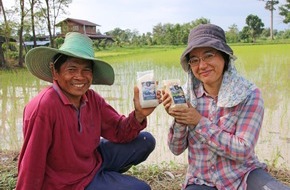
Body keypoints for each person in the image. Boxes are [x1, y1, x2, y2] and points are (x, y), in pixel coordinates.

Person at [16, 32, 160, 190]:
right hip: (68, 182)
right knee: (141, 189)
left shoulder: (91, 98)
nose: (80, 77)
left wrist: (139, 114)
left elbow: (119, 131)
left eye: (86, 70)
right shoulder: (42, 108)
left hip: (93, 160)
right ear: (54, 71)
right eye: (72, 69)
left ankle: (105, 177)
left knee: (146, 141)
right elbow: (32, 164)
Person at [160, 24, 290, 190]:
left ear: (224, 57)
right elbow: (176, 149)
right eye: (194, 60)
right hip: (201, 178)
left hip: (243, 174)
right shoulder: (185, 95)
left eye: (208, 55)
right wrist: (180, 118)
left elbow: (243, 150)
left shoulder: (248, 94)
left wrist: (198, 121)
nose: (202, 66)